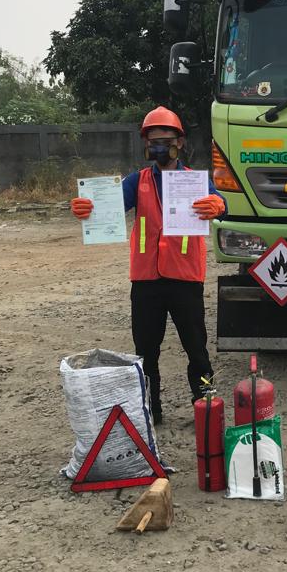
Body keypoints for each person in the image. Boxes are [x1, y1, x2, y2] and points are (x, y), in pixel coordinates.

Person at [70, 106, 225, 425]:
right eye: (153, 141)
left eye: (165, 141)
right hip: (146, 282)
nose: (159, 147)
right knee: (146, 352)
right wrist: (89, 209)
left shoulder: (193, 182)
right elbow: (108, 208)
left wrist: (219, 204)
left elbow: (223, 205)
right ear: (146, 145)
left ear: (179, 142)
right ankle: (150, 412)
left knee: (197, 349)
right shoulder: (136, 182)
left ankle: (206, 406)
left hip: (185, 280)